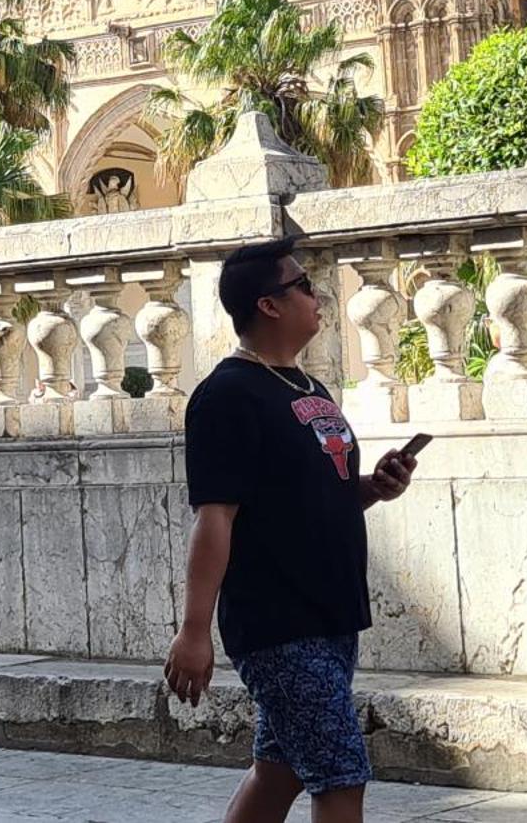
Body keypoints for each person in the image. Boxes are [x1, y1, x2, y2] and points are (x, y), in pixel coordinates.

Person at [163, 237, 417, 823]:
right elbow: (214, 517)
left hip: (332, 614)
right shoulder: (226, 396)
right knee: (340, 777)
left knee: (279, 769)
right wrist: (193, 631)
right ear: (269, 305)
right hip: (279, 622)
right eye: (302, 285)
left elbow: (318, 499)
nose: (317, 294)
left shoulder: (311, 390)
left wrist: (373, 488)